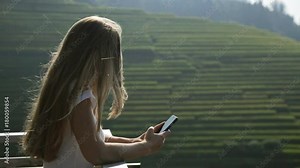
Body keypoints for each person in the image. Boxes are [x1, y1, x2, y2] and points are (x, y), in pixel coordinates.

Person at [22, 16, 170, 168]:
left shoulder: (67, 90)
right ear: (102, 59)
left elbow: (95, 139)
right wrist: (147, 147)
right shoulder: (80, 98)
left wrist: (137, 141)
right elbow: (96, 153)